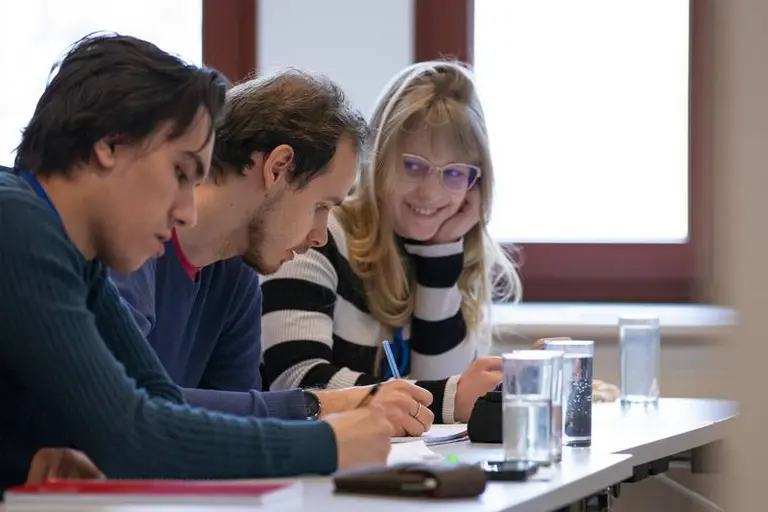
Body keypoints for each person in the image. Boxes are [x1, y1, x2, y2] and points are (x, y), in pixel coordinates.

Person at [0, 33, 392, 491]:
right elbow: (131, 433)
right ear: (110, 144)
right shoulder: (17, 222)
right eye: (181, 173)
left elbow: (159, 402)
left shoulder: (73, 252)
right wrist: (326, 442)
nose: (187, 210)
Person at [109, 69, 434, 435]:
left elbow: (239, 428)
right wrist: (320, 406)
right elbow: (121, 400)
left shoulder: (236, 273)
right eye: (320, 206)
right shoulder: (131, 241)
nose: (320, 236)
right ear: (278, 168)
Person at [260, 60, 522, 424]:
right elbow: (296, 381)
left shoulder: (449, 250)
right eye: (413, 166)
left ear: (475, 185)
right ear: (378, 160)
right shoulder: (316, 235)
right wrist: (446, 398)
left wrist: (440, 255)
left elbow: (451, 414)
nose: (430, 194)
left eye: (454, 173)